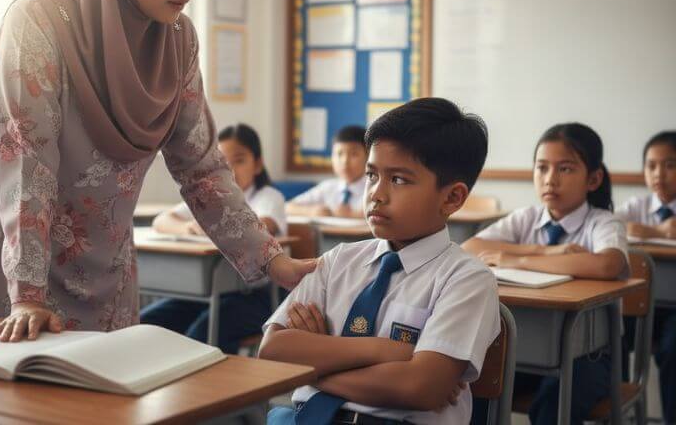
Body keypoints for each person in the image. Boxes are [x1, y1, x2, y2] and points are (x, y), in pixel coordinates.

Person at [0, 0, 313, 342]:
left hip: (102, 253)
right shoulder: (38, 20)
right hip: (8, 248)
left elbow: (202, 168)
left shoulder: (178, 41)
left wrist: (272, 260)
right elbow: (28, 156)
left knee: (103, 399)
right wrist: (27, 293)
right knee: (5, 403)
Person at [262, 98, 500, 425]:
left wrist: (313, 367)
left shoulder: (465, 279)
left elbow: (419, 388)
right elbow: (272, 352)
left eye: (398, 179)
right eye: (372, 175)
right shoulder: (337, 261)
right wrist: (383, 351)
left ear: (452, 197)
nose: (377, 193)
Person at [463, 122, 627, 425]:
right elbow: (471, 246)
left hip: (591, 358)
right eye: (542, 168)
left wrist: (517, 261)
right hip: (525, 350)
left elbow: (607, 265)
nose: (550, 179)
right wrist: (547, 252)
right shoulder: (527, 218)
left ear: (593, 179)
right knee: (474, 387)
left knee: (552, 407)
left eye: (564, 169)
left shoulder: (602, 222)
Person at [140, 123, 286, 353]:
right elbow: (162, 220)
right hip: (209, 294)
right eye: (223, 161)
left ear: (257, 165)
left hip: (257, 297)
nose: (231, 169)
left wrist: (214, 227)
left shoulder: (268, 196)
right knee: (145, 321)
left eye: (239, 160)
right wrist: (189, 226)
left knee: (201, 335)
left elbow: (265, 226)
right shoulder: (210, 196)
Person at [614, 130, 676, 423]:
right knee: (612, 334)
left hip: (673, 309)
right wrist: (662, 231)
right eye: (651, 166)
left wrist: (645, 231)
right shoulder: (636, 206)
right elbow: (616, 228)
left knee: (673, 349)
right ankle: (619, 411)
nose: (659, 175)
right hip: (638, 305)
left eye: (670, 165)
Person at [287, 125, 367, 218]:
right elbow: (287, 207)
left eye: (354, 154)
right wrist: (313, 211)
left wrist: (353, 215)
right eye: (339, 154)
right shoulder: (328, 187)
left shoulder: (374, 189)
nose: (345, 161)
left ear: (368, 157)